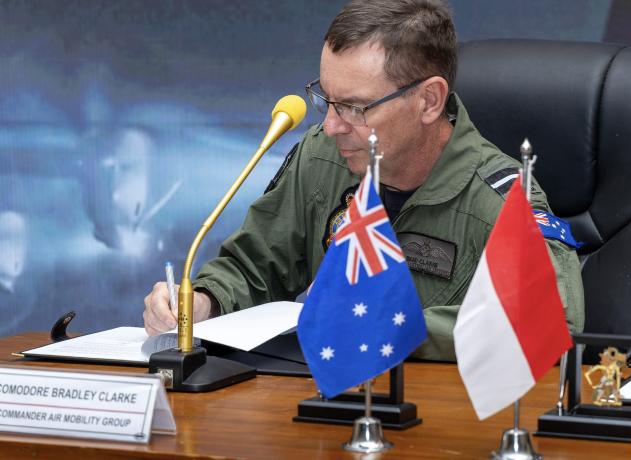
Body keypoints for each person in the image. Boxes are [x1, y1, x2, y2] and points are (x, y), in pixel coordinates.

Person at [143, 0, 584, 361]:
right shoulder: (321, 156)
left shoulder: (502, 198)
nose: (333, 125)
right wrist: (204, 301)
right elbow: (254, 267)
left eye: (355, 107)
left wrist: (391, 326)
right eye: (327, 100)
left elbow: (548, 319)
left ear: (429, 100)